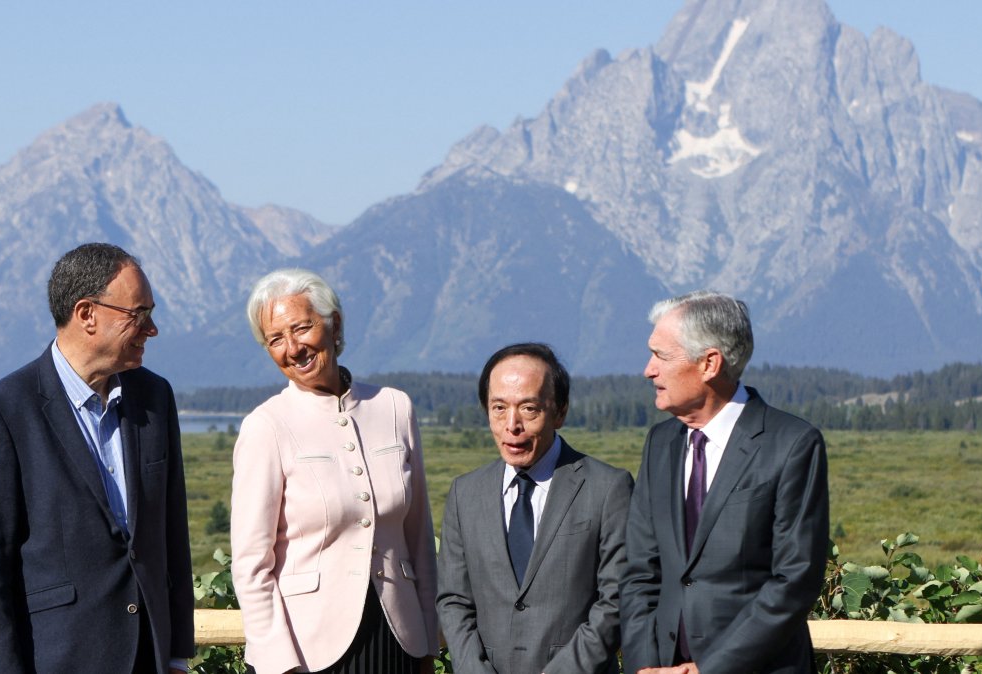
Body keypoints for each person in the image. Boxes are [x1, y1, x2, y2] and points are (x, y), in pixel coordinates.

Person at [0, 243, 194, 673]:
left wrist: (176, 655)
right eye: (138, 315)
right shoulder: (4, 412)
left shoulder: (156, 398)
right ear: (87, 314)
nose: (152, 329)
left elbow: (171, 533)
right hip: (58, 659)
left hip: (150, 659)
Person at [230, 268, 438, 674]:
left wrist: (429, 642)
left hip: (401, 640)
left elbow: (419, 538)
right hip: (309, 651)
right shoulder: (266, 425)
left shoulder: (395, 407)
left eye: (301, 328)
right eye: (275, 339)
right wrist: (278, 664)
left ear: (334, 324)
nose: (293, 348)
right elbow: (251, 564)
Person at [620, 291, 830, 674]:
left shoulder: (791, 444)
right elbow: (639, 572)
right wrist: (644, 667)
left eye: (661, 356)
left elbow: (794, 580)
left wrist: (711, 670)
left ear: (709, 363)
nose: (648, 370)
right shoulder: (660, 443)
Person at [437, 342, 634, 674]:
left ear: (560, 411)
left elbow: (616, 599)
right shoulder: (465, 493)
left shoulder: (608, 488)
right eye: (499, 408)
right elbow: (454, 599)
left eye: (528, 409)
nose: (512, 425)